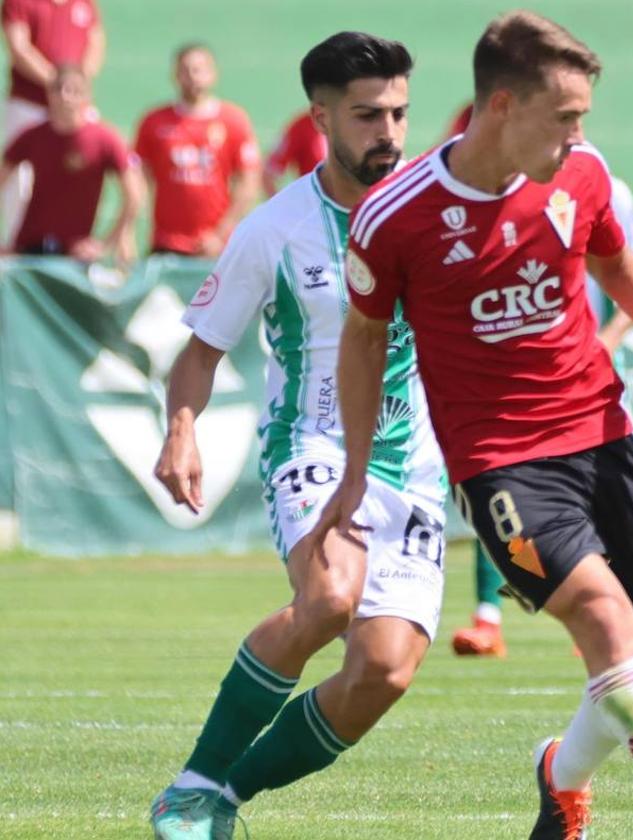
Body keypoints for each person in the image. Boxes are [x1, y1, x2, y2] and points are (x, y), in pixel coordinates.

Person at [317, 11, 633, 839]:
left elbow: (616, 260)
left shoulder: (581, 175)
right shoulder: (395, 215)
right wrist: (353, 471)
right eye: (565, 115)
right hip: (501, 463)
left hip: (601, 431)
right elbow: (365, 338)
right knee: (601, 617)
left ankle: (561, 772)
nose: (578, 133)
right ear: (503, 106)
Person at [147, 31, 446, 840]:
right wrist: (182, 429)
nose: (388, 131)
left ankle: (222, 797)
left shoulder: (434, 214)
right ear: (320, 116)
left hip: (414, 468)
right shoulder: (273, 229)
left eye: (398, 113)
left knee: (382, 669)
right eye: (367, 115)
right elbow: (201, 351)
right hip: (313, 449)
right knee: (329, 597)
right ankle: (191, 782)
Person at [451, 172, 633, 659]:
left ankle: (603, 619)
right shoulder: (493, 190)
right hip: (523, 379)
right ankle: (489, 617)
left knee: (600, 500)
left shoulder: (607, 187)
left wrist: (606, 342)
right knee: (497, 492)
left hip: (594, 375)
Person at [0, 65, 139, 264]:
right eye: (59, 89)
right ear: (49, 93)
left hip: (77, 254)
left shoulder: (105, 138)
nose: (66, 96)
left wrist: (106, 243)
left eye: (75, 90)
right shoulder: (31, 136)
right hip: (29, 249)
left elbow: (134, 196)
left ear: (87, 96)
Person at [133, 43, 260, 256]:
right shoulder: (154, 122)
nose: (193, 76)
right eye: (186, 70)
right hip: (167, 244)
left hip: (216, 247)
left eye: (199, 69)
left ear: (213, 74)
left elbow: (248, 183)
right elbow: (138, 177)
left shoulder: (233, 120)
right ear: (175, 75)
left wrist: (220, 234)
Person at [0, 0, 104, 246]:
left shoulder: (84, 3)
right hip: (29, 106)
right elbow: (19, 46)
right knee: (21, 183)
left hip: (77, 108)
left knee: (83, 176)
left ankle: (80, 248)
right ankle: (20, 249)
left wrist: (75, 88)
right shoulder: (20, 2)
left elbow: (95, 42)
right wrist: (60, 86)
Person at [261, 109, 326, 196]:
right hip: (315, 202)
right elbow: (268, 175)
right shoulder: (302, 126)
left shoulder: (346, 126)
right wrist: (283, 207)